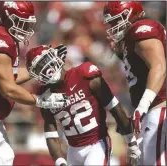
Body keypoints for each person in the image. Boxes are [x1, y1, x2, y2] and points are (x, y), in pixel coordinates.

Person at [0, 2, 69, 165]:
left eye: (28, 22)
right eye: (21, 22)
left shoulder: (6, 38)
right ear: (6, 18)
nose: (25, 27)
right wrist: (41, 101)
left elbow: (9, 77)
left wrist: (39, 67)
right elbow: (8, 89)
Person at [25, 45, 141, 166]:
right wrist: (60, 162)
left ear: (56, 57)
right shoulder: (45, 95)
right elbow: (51, 135)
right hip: (72, 150)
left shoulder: (83, 75)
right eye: (38, 68)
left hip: (96, 144)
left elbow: (115, 108)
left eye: (45, 62)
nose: (45, 68)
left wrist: (131, 141)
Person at [103, 1, 166, 165]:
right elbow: (140, 68)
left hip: (159, 107)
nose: (112, 26)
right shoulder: (131, 38)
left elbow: (158, 66)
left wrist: (143, 106)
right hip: (152, 110)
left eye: (116, 20)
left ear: (129, 14)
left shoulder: (141, 28)